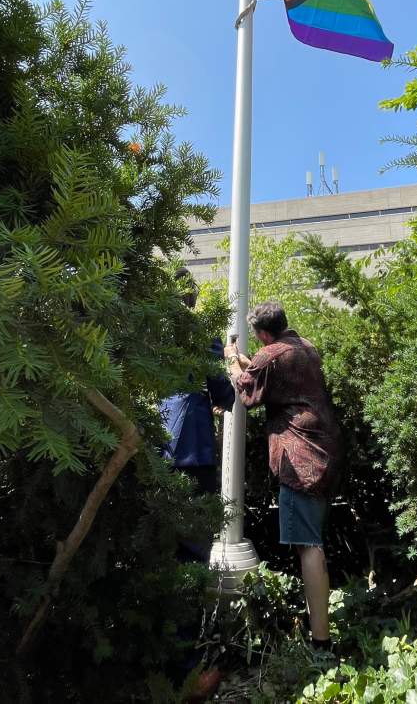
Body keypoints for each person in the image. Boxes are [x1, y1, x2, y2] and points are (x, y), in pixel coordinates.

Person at [225, 302, 343, 650]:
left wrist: (233, 356)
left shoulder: (269, 356)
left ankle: (321, 641)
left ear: (262, 334)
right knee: (314, 542)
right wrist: (252, 363)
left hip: (301, 461)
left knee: (309, 547)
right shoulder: (304, 347)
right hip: (327, 453)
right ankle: (317, 626)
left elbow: (247, 392)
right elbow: (276, 379)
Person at [158, 269, 236, 561]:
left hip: (157, 436)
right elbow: (221, 390)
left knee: (162, 531)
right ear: (192, 298)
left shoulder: (153, 330)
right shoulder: (200, 329)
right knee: (195, 532)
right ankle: (191, 597)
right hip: (193, 441)